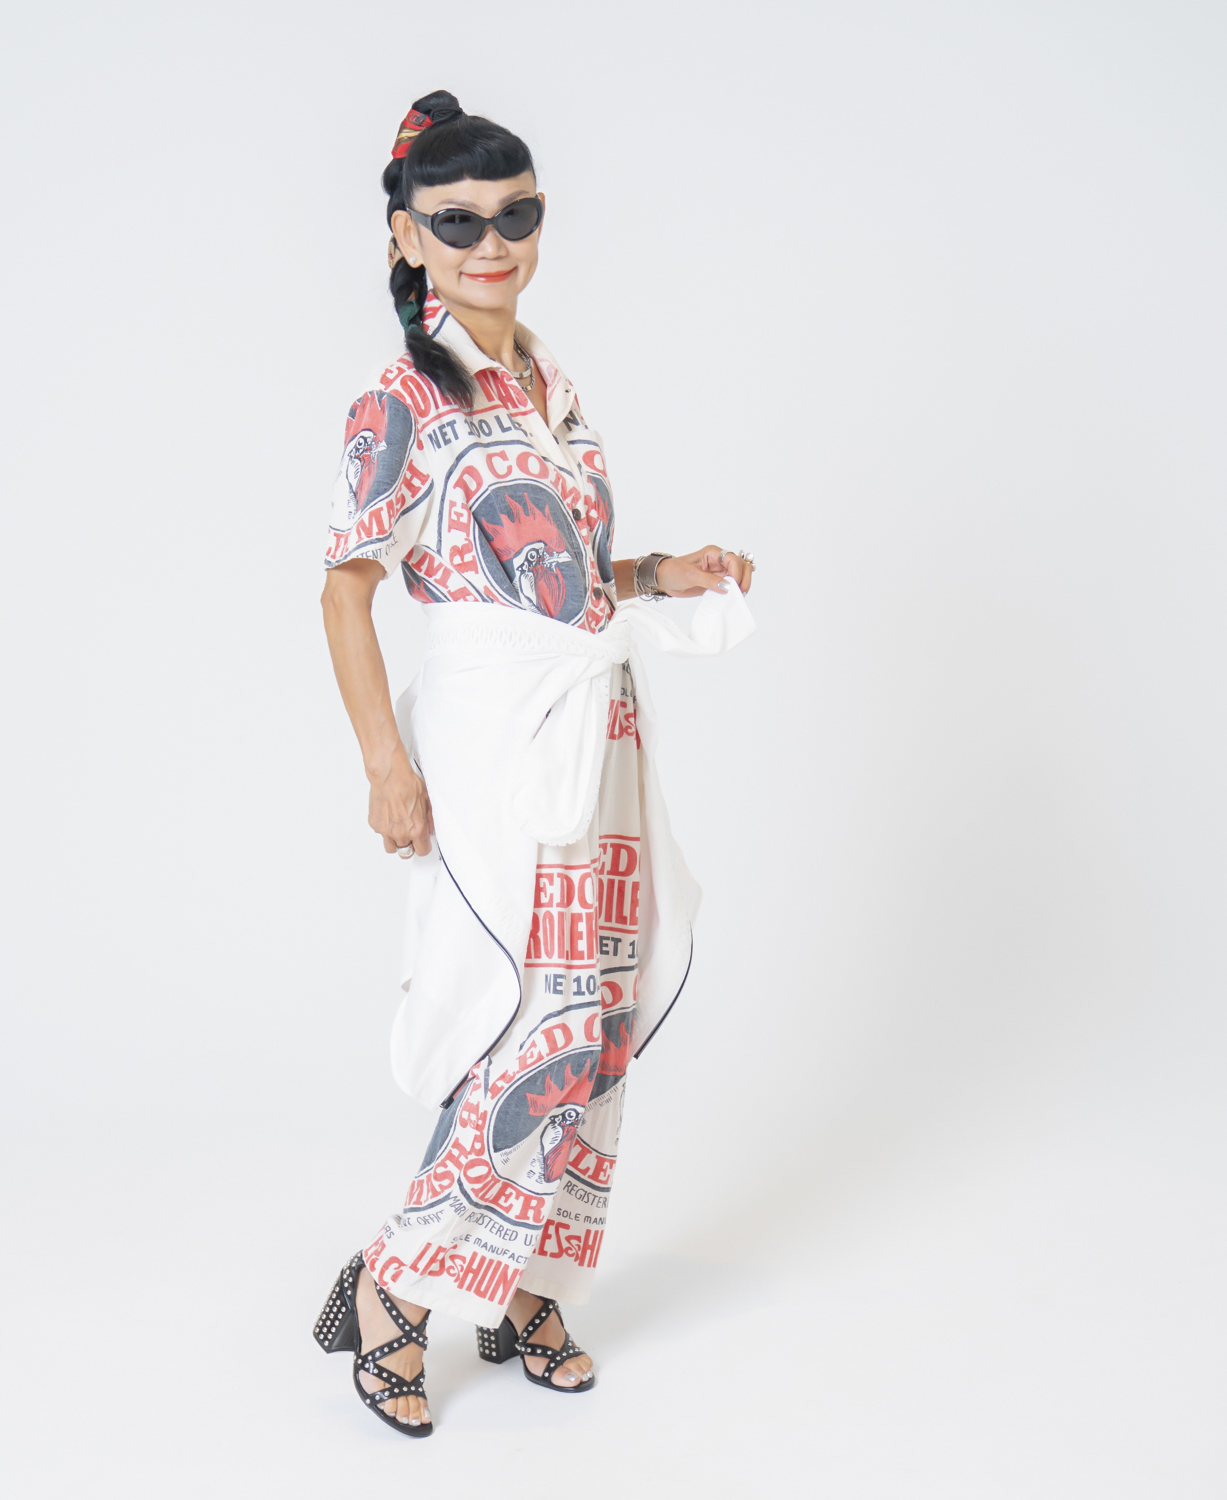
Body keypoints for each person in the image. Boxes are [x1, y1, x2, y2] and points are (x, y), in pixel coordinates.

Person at [313, 91, 756, 1438]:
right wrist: (386, 768)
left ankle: (530, 1286)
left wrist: (658, 573)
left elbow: (561, 572)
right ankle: (397, 1286)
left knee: (597, 1016)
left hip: (597, 724)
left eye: (515, 214)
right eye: (456, 222)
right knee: (528, 1014)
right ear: (407, 237)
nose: (490, 241)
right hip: (497, 737)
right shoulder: (401, 397)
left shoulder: (553, 384)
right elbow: (347, 589)